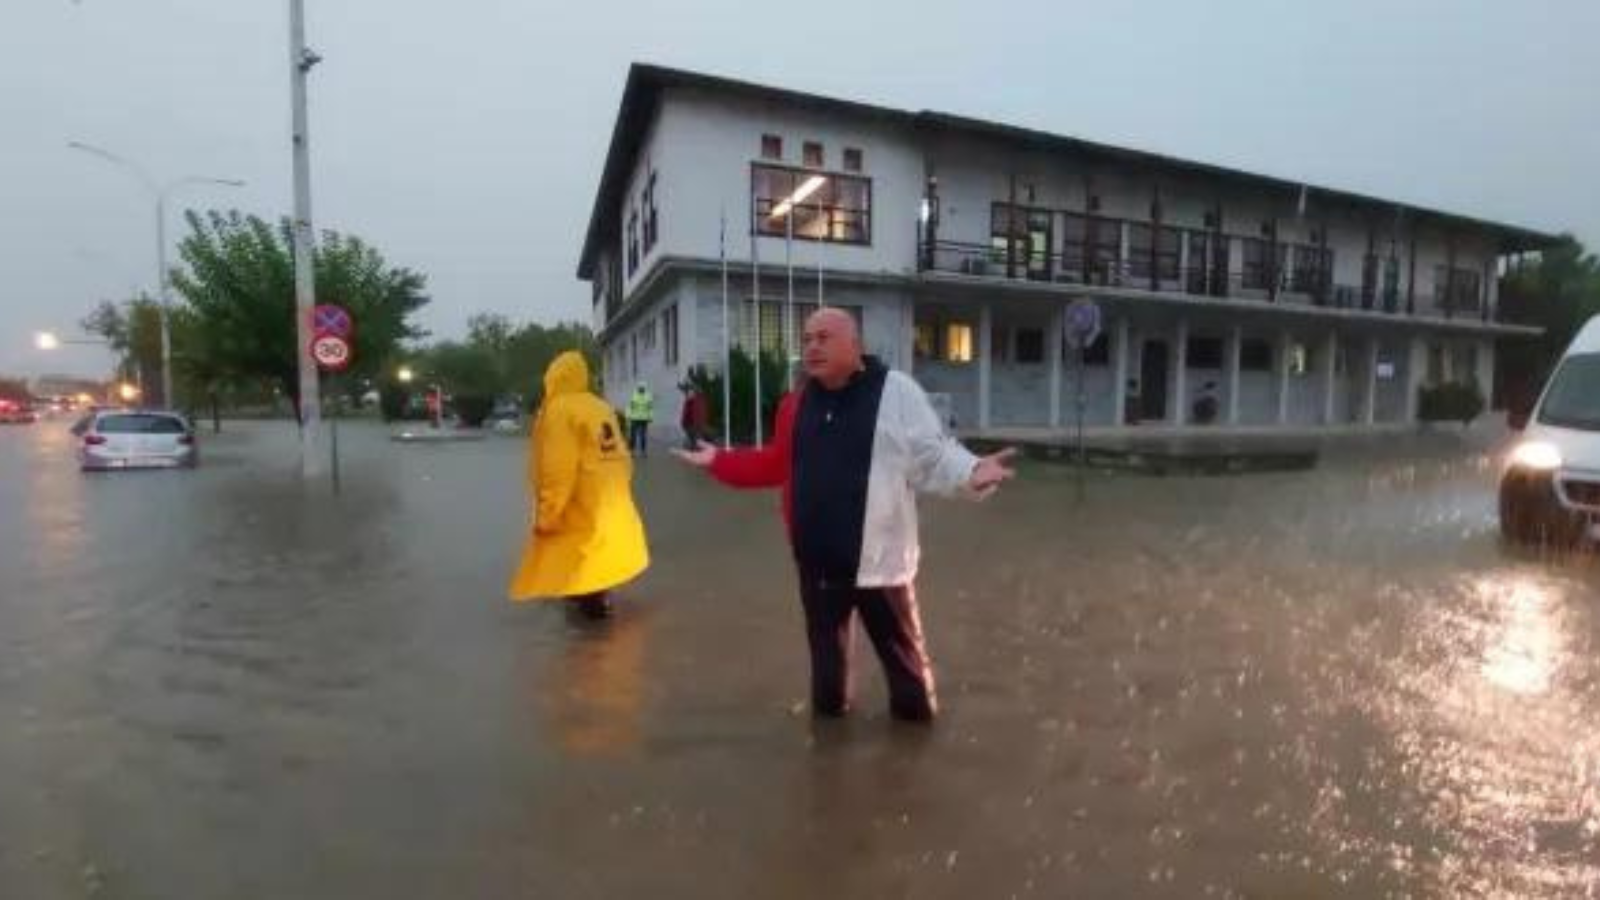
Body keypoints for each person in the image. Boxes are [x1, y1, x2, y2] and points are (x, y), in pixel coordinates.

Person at [674, 308, 1016, 722]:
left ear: (855, 346)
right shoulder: (795, 405)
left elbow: (932, 455)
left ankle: (911, 750)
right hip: (818, 566)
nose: (812, 346)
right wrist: (718, 461)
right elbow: (777, 465)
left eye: (824, 337)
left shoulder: (896, 392)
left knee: (909, 686)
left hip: (881, 567)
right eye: (807, 339)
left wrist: (972, 472)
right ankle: (830, 752)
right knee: (828, 694)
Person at [508, 351, 649, 620]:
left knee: (579, 559)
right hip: (608, 498)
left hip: (578, 501)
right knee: (598, 556)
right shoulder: (600, 406)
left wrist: (547, 514)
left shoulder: (559, 410)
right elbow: (624, 459)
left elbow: (558, 469)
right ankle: (598, 624)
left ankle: (593, 637)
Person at [625, 381, 654, 458]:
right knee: (633, 435)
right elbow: (630, 406)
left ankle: (643, 451)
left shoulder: (648, 396)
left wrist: (650, 417)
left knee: (643, 436)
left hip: (643, 419)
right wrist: (628, 415)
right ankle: (632, 451)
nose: (641, 389)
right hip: (635, 418)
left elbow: (650, 408)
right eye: (640, 388)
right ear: (638, 388)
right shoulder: (634, 396)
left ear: (644, 388)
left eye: (642, 388)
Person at [679, 382, 710, 450]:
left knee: (695, 438)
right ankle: (693, 447)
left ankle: (694, 447)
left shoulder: (696, 400)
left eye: (691, 392)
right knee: (694, 438)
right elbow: (687, 412)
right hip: (692, 424)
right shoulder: (695, 400)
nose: (689, 394)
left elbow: (697, 413)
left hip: (695, 424)